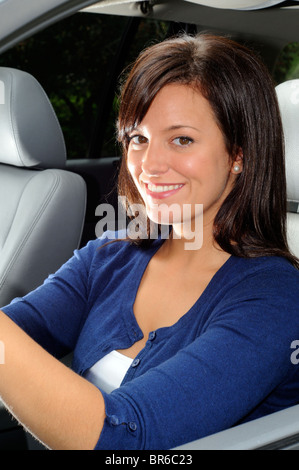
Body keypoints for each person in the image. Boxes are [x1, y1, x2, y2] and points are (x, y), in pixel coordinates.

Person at [0, 33, 299, 451]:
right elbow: (14, 333)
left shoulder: (276, 299)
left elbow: (122, 440)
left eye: (182, 139)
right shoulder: (109, 256)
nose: (149, 165)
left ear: (239, 154)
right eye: (137, 138)